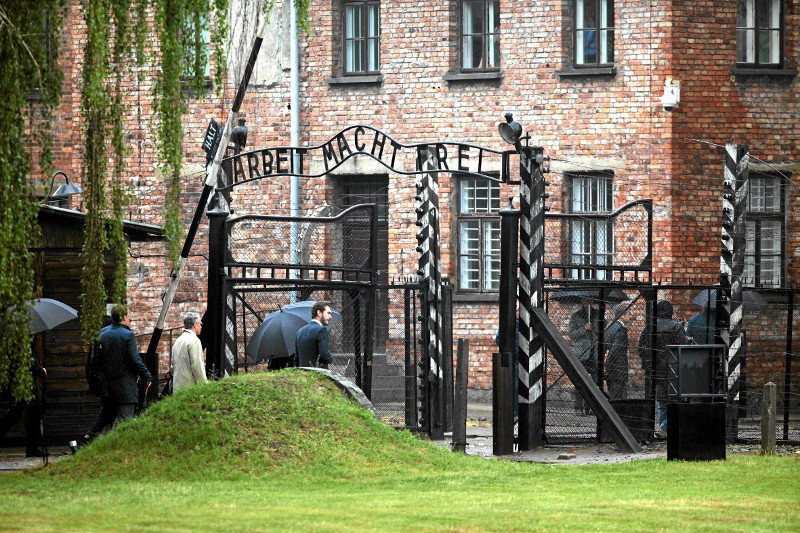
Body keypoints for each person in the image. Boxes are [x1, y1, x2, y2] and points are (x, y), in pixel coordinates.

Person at [93, 305, 152, 429]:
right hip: (125, 386)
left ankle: (92, 439)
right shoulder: (127, 335)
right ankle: (116, 446)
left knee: (107, 418)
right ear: (124, 317)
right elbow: (135, 359)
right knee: (125, 422)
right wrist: (147, 375)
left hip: (108, 386)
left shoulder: (102, 334)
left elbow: (97, 361)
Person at [637, 300, 685, 438]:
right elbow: (682, 348)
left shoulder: (649, 327)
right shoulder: (676, 327)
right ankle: (665, 428)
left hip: (654, 370)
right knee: (675, 400)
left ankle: (664, 428)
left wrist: (649, 361)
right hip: (672, 369)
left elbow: (641, 349)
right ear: (670, 312)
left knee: (661, 401)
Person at [568, 302, 598, 415]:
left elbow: (603, 329)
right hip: (581, 353)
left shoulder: (597, 315)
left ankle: (590, 408)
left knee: (594, 383)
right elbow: (571, 334)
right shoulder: (575, 316)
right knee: (579, 382)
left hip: (593, 353)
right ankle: (578, 408)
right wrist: (584, 328)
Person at [171, 311, 208, 392]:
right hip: (190, 388)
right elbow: (197, 366)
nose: (201, 327)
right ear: (195, 325)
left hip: (177, 387)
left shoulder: (178, 341)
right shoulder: (194, 340)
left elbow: (173, 365)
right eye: (200, 324)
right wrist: (204, 386)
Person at [295, 301, 334, 369]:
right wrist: (331, 357)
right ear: (319, 313)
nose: (330, 317)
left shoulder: (300, 331)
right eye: (328, 313)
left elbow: (297, 357)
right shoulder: (321, 330)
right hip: (319, 373)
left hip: (303, 374)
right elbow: (324, 354)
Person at [603, 303, 629, 401]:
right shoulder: (621, 329)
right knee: (618, 399)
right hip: (618, 369)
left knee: (613, 395)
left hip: (611, 370)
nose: (629, 316)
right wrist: (608, 367)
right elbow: (615, 350)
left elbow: (606, 347)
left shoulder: (609, 327)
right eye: (628, 313)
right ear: (623, 315)